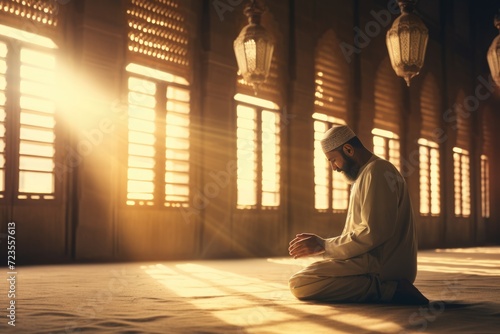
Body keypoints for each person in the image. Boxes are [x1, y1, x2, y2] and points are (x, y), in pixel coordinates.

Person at [288, 124, 429, 305]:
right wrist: (327, 247)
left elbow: (375, 232)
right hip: (368, 260)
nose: (334, 168)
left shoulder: (378, 171)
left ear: (348, 149)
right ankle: (385, 287)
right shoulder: (365, 174)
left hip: (381, 264)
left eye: (333, 160)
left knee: (300, 283)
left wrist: (324, 245)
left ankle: (391, 290)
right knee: (306, 276)